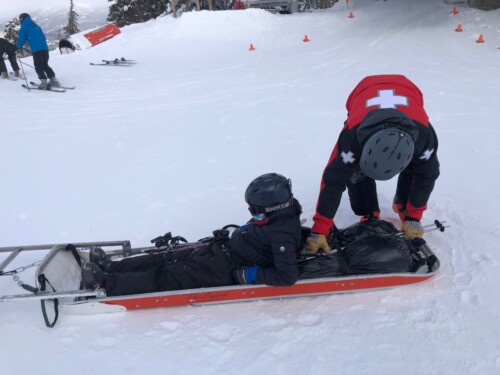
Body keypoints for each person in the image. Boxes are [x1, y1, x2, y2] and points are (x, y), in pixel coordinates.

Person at [82, 173, 303, 296]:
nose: (251, 213)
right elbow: (262, 232)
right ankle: (112, 267)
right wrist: (245, 231)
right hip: (222, 251)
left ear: (274, 208)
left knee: (169, 275)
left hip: (226, 269)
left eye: (254, 210)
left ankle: (105, 284)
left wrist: (247, 276)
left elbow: (287, 276)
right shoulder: (278, 217)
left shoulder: (282, 236)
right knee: (166, 256)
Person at [303, 74, 440, 255]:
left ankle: (404, 205)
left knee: (418, 167)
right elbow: (333, 179)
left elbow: (426, 176)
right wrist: (321, 228)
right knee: (353, 171)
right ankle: (369, 211)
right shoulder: (351, 137)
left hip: (410, 92)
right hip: (363, 92)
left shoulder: (424, 138)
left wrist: (414, 216)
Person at [15, 13, 60, 89]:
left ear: (21, 20)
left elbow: (21, 40)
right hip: (45, 48)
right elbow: (42, 36)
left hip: (37, 50)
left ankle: (43, 83)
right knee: (45, 65)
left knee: (38, 66)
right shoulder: (36, 26)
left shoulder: (23, 28)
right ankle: (54, 80)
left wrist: (17, 47)